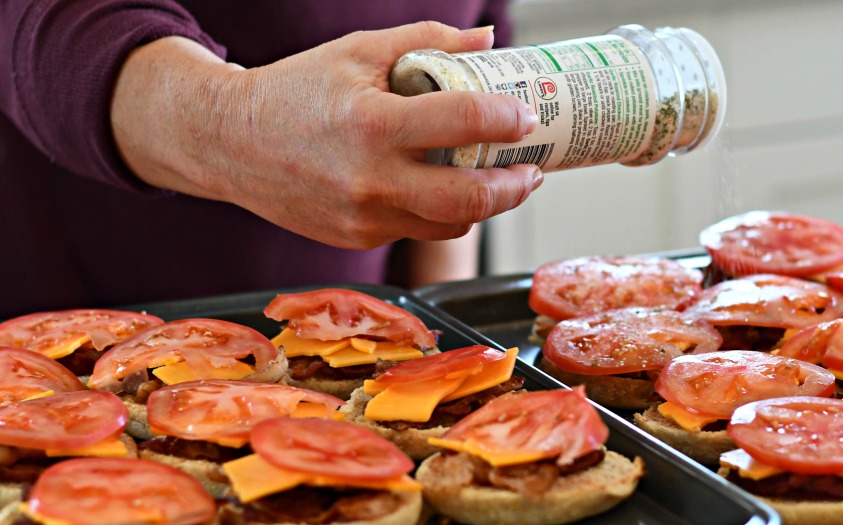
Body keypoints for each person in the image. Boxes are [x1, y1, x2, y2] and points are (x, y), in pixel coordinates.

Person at [0, 0, 543, 318]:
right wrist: (236, 122)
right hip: (82, 328)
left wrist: (438, 321)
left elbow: (466, 68)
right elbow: (34, 25)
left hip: (347, 337)